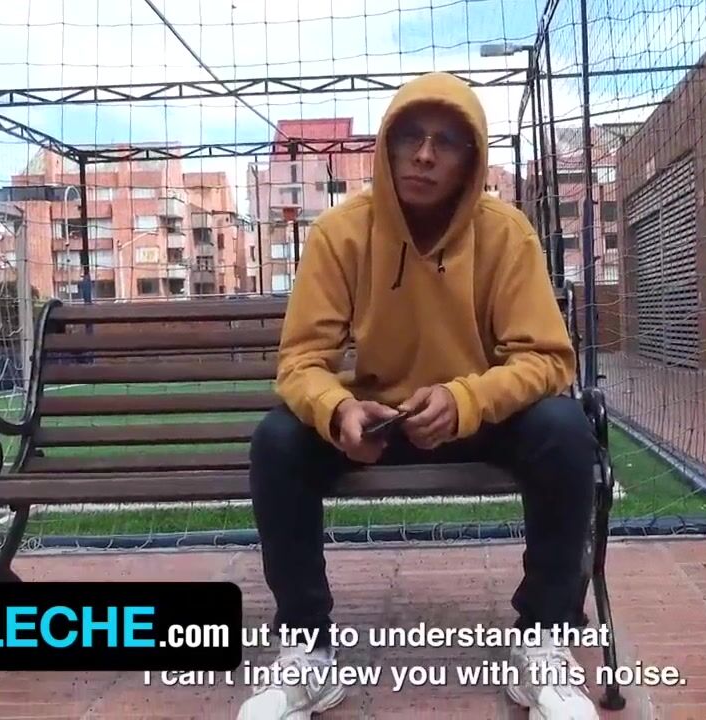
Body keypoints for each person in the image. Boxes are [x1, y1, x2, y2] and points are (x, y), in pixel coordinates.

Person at [238, 72, 600, 719]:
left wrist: (467, 400)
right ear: (387, 146)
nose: (425, 155)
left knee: (565, 428)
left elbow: (547, 358)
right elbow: (301, 362)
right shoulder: (340, 233)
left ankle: (543, 639)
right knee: (279, 438)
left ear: (471, 159)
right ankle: (307, 650)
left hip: (478, 418)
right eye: (410, 137)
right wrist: (339, 410)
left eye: (446, 142)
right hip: (378, 423)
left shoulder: (506, 233)